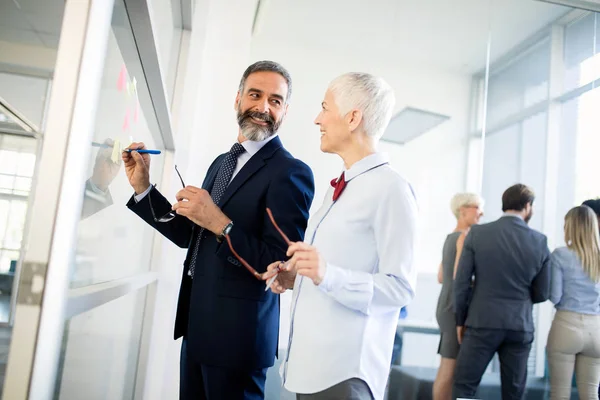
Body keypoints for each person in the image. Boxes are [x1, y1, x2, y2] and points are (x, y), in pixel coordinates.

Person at [123, 60, 315, 400]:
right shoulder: (222, 162)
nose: (263, 107)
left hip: (238, 339)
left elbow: (278, 265)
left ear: (285, 111)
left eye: (275, 100)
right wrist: (144, 188)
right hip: (197, 326)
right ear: (238, 98)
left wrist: (219, 221)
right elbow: (190, 236)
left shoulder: (291, 173)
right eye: (255, 95)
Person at [264, 72, 418, 400]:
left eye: (324, 108)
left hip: (343, 374)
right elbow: (332, 272)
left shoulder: (392, 190)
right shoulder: (338, 191)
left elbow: (400, 288)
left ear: (352, 118)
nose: (317, 118)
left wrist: (326, 274)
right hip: (309, 371)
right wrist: (297, 276)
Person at [453, 184, 551, 400]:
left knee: (464, 388)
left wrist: (460, 320)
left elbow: (461, 282)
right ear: (527, 206)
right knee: (513, 393)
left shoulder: (478, 234)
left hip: (481, 322)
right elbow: (543, 292)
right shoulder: (540, 241)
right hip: (519, 325)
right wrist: (521, 299)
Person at [433, 193, 484, 400]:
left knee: (449, 367)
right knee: (449, 369)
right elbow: (458, 278)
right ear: (462, 210)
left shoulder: (450, 237)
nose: (481, 212)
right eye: (477, 207)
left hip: (445, 306)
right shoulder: (464, 237)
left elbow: (440, 276)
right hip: (455, 309)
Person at [546, 205, 600, 400]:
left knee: (559, 393)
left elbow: (555, 296)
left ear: (570, 227)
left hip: (566, 325)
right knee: (591, 394)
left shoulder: (561, 254)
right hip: (596, 329)